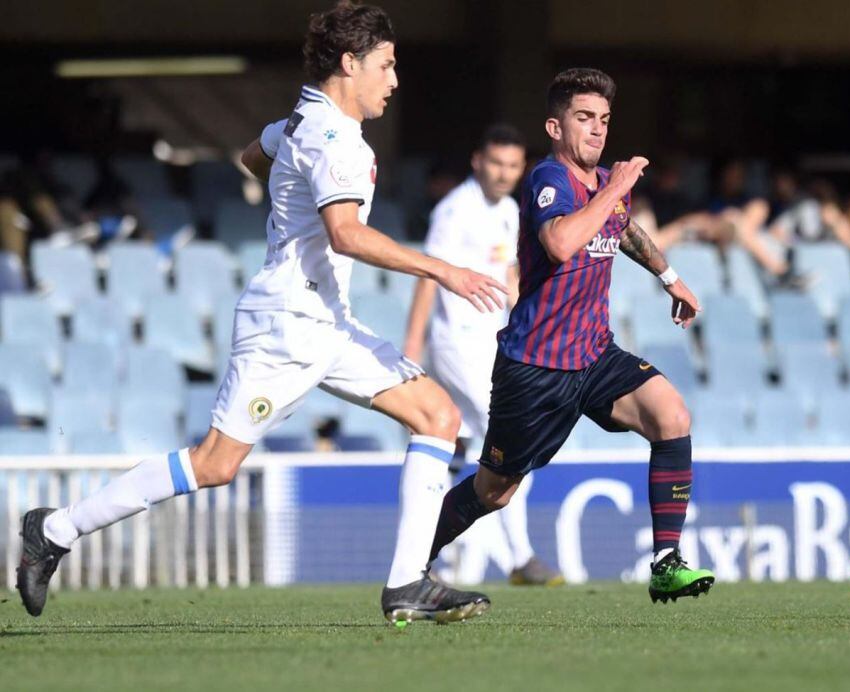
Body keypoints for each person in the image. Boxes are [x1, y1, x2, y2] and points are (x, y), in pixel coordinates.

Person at [17, 1, 505, 625]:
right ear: (350, 63)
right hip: (287, 328)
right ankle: (53, 531)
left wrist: (287, 212)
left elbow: (254, 156)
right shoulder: (336, 141)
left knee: (437, 416)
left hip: (327, 322)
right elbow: (348, 235)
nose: (395, 80)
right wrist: (444, 269)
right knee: (215, 464)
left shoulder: (302, 120)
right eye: (386, 65)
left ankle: (407, 584)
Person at [424, 68, 715, 604]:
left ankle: (666, 562)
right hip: (536, 366)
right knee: (495, 490)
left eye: (604, 120)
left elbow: (622, 227)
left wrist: (670, 278)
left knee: (671, 415)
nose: (598, 130)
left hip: (593, 353)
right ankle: (412, 561)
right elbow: (560, 242)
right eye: (585, 118)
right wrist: (619, 188)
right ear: (555, 127)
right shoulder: (546, 180)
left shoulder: (605, 183)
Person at [402, 123, 563, 587]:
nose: (504, 173)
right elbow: (429, 275)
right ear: (478, 161)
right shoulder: (455, 211)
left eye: (513, 166)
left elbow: (509, 275)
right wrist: (414, 347)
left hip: (494, 344)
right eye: (496, 163)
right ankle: (521, 559)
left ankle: (428, 547)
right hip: (455, 342)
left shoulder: (512, 210)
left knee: (474, 447)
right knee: (511, 439)